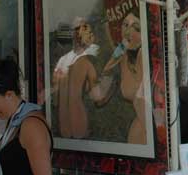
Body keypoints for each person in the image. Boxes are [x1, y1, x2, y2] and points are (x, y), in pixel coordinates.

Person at [102, 11, 147, 144]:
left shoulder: (142, 55)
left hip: (146, 125)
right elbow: (108, 67)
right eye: (125, 25)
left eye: (136, 28)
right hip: (139, 124)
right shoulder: (123, 55)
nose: (128, 31)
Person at [54, 17, 100, 139]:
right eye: (88, 32)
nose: (91, 35)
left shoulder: (61, 61)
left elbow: (55, 98)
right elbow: (99, 99)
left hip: (62, 127)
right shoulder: (87, 64)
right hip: (80, 124)